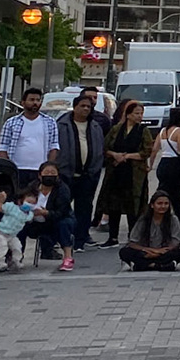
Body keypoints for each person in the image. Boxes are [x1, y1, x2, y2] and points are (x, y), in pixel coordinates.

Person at [96, 102, 152, 246]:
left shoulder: (143, 130)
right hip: (116, 171)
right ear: (128, 115)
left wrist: (127, 156)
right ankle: (112, 237)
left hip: (134, 173)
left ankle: (133, 237)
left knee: (134, 206)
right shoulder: (116, 129)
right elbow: (105, 147)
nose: (139, 116)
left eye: (141, 113)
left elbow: (146, 152)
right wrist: (115, 155)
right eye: (136, 113)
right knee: (113, 204)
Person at [56, 94, 107, 254]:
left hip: (88, 175)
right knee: (62, 208)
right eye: (82, 106)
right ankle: (60, 240)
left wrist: (95, 169)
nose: (85, 109)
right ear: (74, 107)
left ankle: (80, 240)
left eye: (88, 107)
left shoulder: (95, 126)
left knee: (84, 209)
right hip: (66, 174)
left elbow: (100, 148)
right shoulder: (62, 125)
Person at [20, 160, 75, 269]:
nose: (49, 175)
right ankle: (17, 256)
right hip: (35, 222)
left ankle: (68, 258)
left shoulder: (63, 189)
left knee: (64, 224)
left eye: (52, 173)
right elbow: (21, 200)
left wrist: (47, 213)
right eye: (46, 172)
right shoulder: (32, 187)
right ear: (40, 175)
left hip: (56, 221)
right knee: (19, 225)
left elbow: (62, 212)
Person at [0, 87, 59, 179]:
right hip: (17, 169)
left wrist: (48, 167)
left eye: (38, 100)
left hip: (40, 170)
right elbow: (3, 147)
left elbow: (54, 147)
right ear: (23, 102)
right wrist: (8, 168)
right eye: (31, 100)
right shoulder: (11, 122)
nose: (35, 103)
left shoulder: (50, 122)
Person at [120, 192, 180, 272]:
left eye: (166, 204)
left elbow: (176, 242)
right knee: (124, 252)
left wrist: (159, 253)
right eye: (159, 203)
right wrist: (150, 250)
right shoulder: (143, 219)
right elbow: (132, 242)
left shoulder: (173, 219)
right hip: (146, 252)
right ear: (152, 205)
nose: (163, 206)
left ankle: (145, 265)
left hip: (164, 252)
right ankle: (159, 265)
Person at [0, 186, 32, 272]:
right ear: (19, 201)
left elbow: (30, 219)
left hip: (12, 235)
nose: (30, 205)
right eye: (28, 202)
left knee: (18, 247)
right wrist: (0, 201)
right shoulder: (11, 206)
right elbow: (0, 208)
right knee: (2, 246)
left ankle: (16, 261)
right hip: (0, 232)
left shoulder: (29, 214)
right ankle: (0, 262)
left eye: (32, 203)